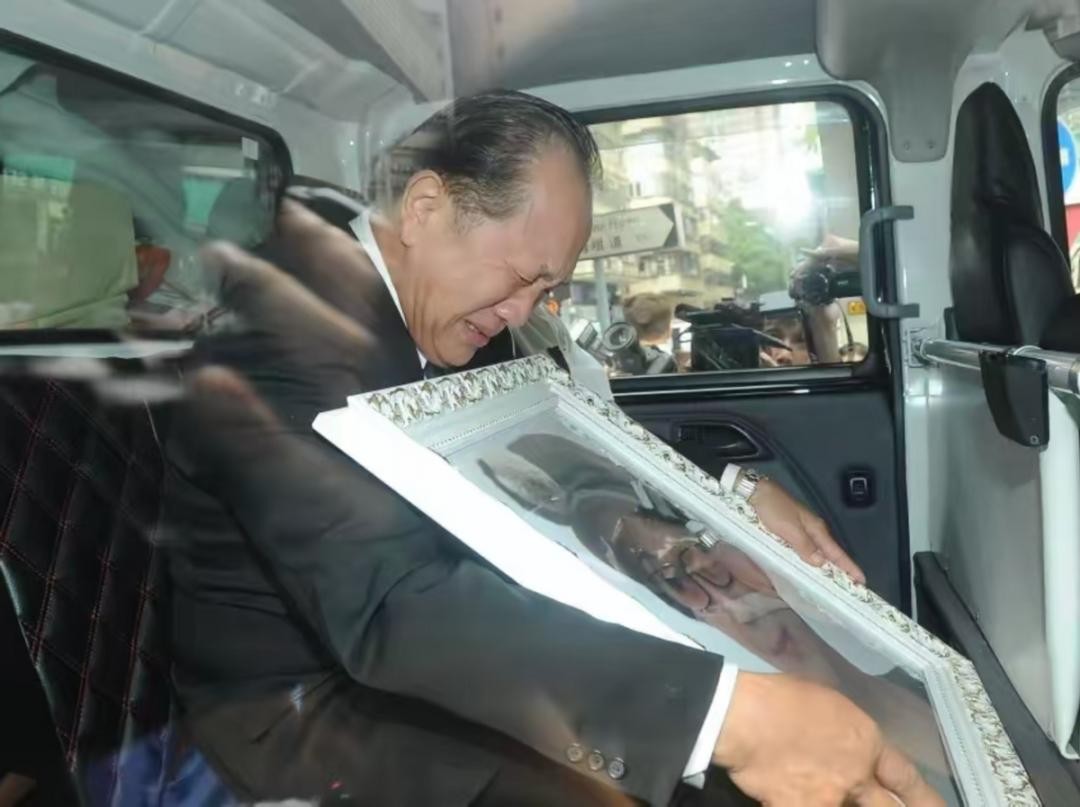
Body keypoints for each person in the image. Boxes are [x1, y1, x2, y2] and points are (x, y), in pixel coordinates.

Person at [165, 90, 940, 806]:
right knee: (655, 777)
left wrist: (730, 493)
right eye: (521, 278)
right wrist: (724, 714)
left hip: (435, 627)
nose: (522, 311)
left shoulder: (469, 316)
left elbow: (567, 435)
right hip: (310, 703)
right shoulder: (280, 333)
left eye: (544, 291)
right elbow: (394, 604)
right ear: (426, 206)